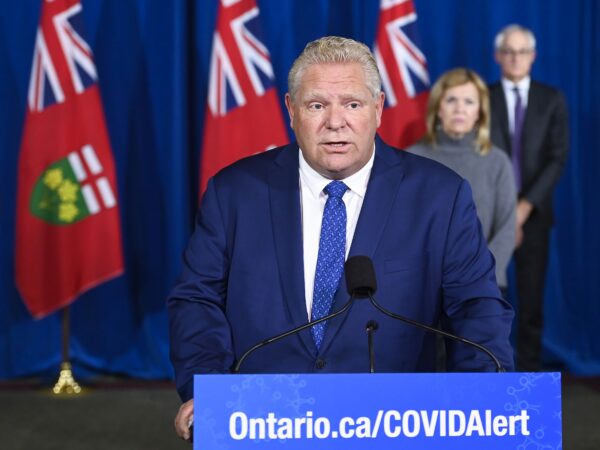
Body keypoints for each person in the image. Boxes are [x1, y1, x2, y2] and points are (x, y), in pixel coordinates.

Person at [168, 36, 514, 441]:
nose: (335, 122)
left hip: (392, 427)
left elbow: (476, 308)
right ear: (291, 110)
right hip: (261, 423)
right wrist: (206, 388)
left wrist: (484, 400)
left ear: (378, 109)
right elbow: (197, 299)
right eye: (317, 105)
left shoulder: (439, 196)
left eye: (352, 104)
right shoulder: (234, 192)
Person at [489, 24, 569, 371]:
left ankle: (530, 378)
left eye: (522, 51)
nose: (515, 58)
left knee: (532, 301)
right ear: (498, 56)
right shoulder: (482, 96)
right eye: (508, 51)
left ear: (532, 57)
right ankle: (493, 371)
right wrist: (507, 213)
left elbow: (557, 157)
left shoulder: (551, 99)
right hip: (490, 215)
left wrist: (523, 208)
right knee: (489, 298)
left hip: (534, 215)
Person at [408, 68, 516, 296]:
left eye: (468, 101)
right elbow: (405, 227)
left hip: (483, 287)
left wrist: (482, 278)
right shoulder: (412, 159)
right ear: (438, 108)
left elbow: (507, 228)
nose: (459, 108)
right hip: (421, 289)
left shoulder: (497, 161)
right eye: (451, 100)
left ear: (479, 112)